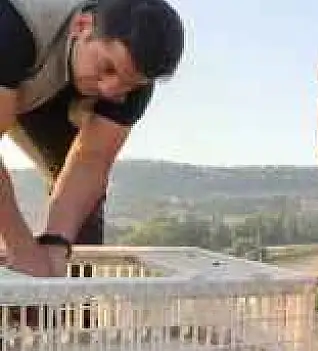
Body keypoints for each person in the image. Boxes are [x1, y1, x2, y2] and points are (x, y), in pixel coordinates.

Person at [0, 0, 185, 277]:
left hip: (54, 90)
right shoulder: (14, 26)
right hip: (18, 56)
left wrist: (55, 244)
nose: (112, 90)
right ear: (82, 26)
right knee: (19, 245)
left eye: (129, 83)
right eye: (108, 68)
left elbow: (92, 159)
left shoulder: (133, 78)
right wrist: (21, 246)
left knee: (82, 214)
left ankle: (70, 312)